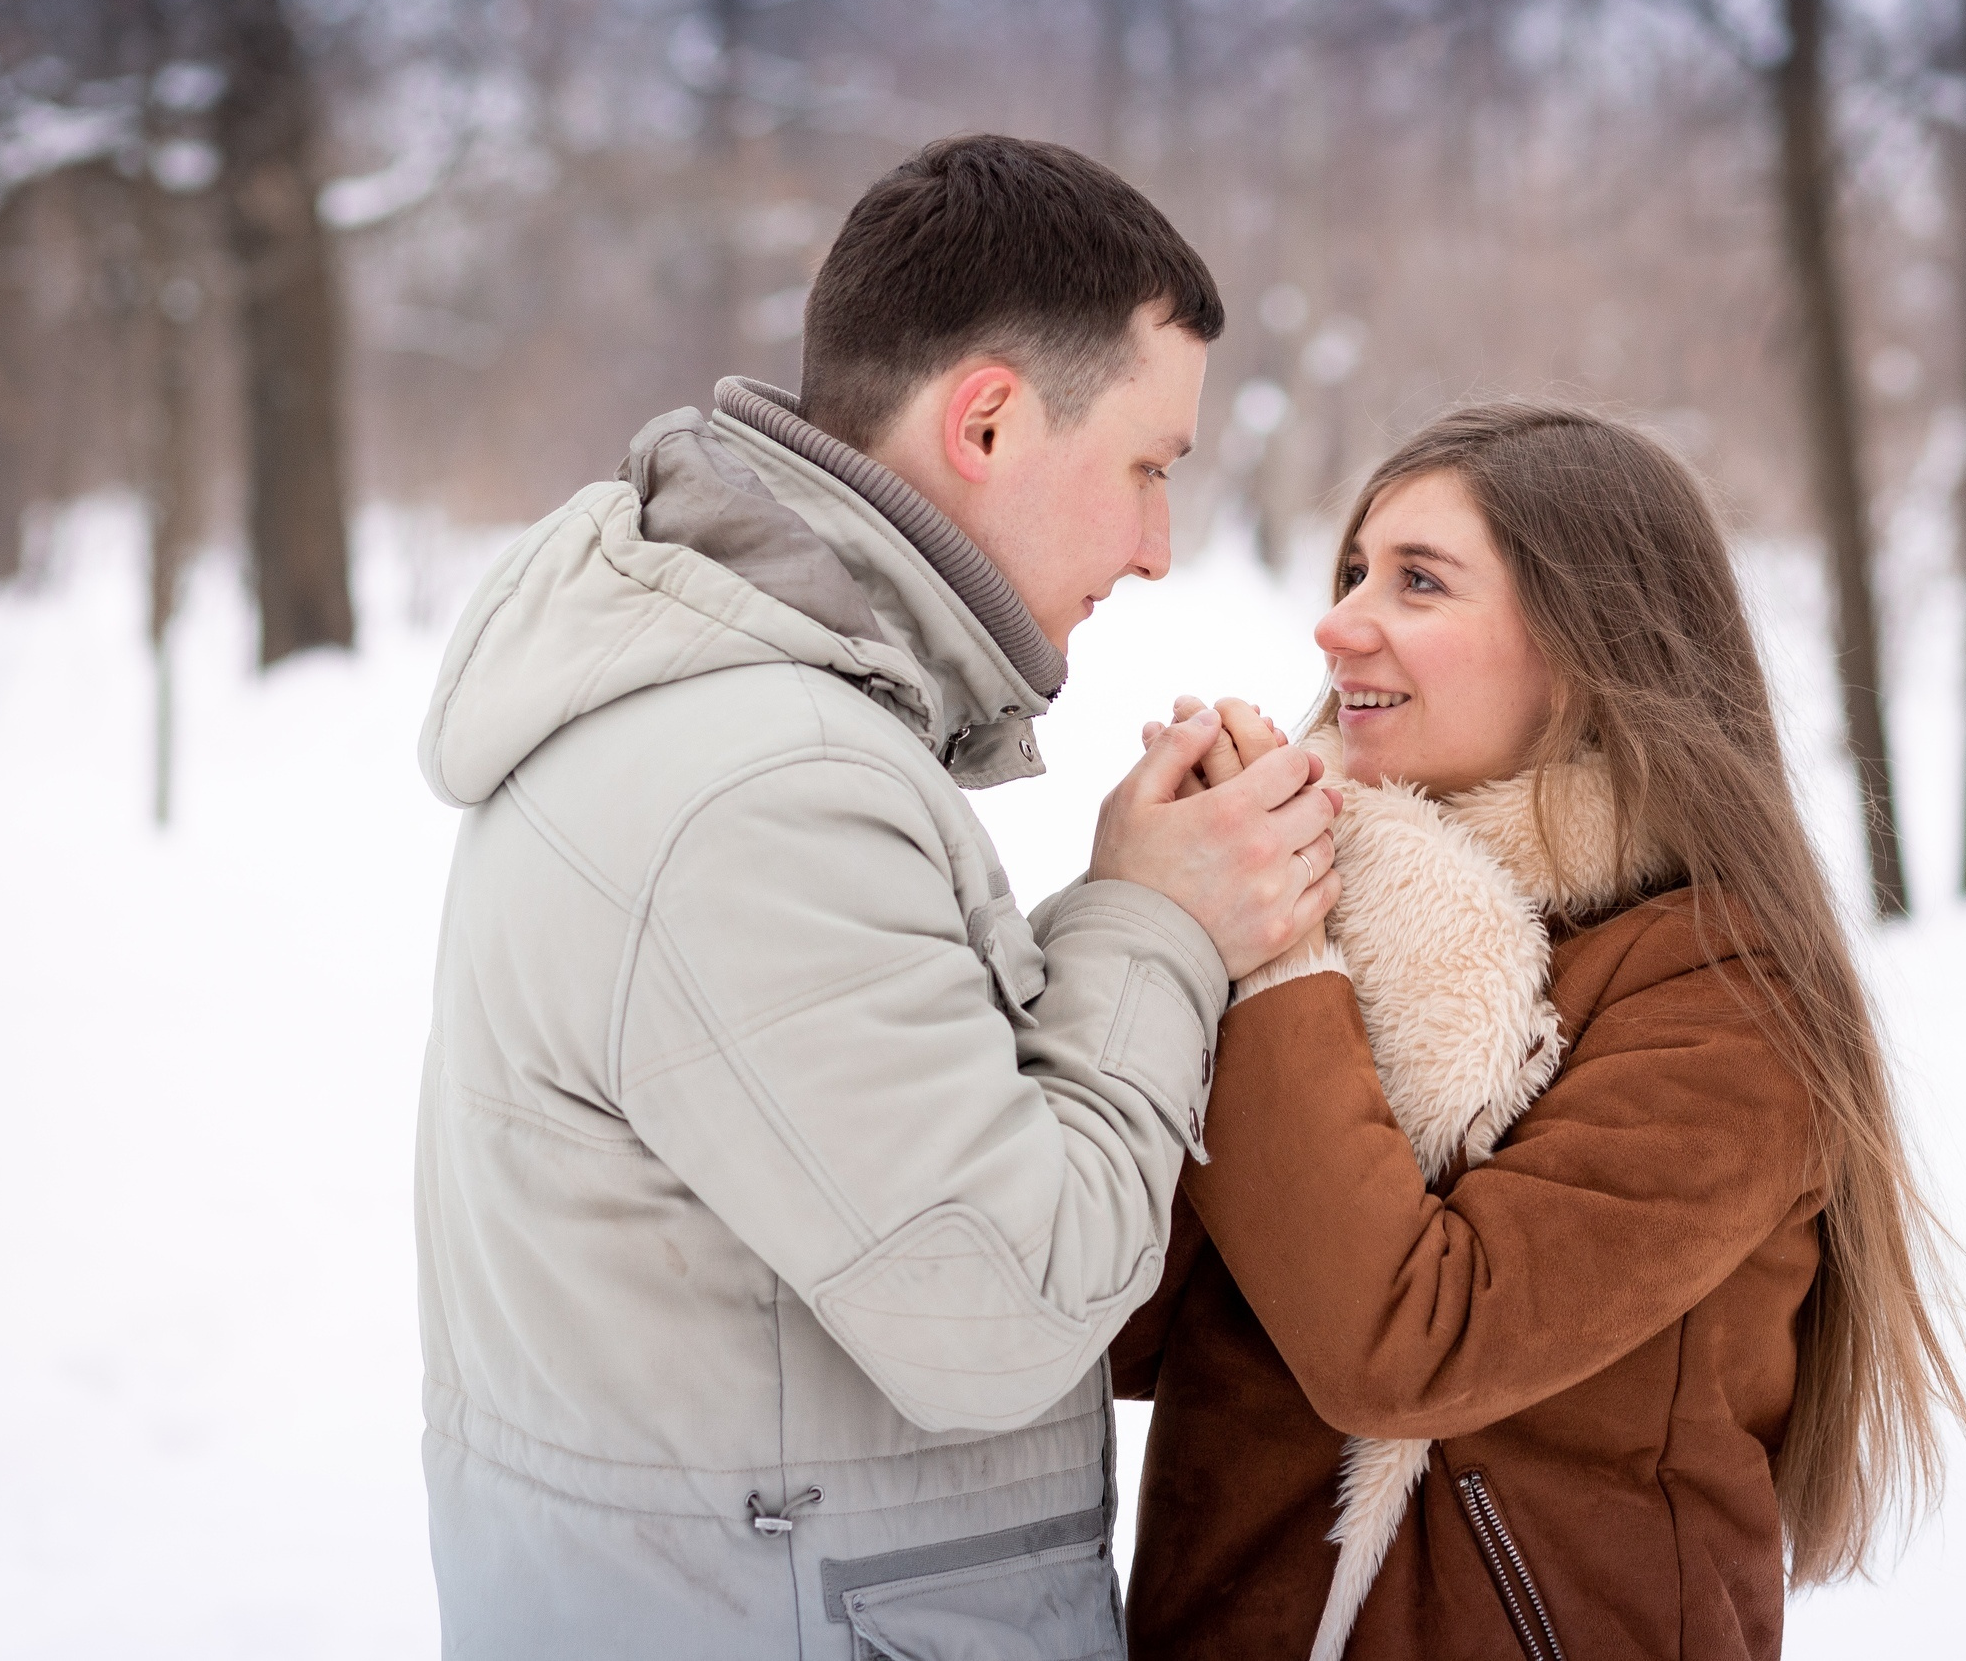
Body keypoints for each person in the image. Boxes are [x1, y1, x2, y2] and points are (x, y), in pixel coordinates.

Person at [411, 134, 1341, 1659]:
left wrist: (1141, 903)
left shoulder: (742, 716)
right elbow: (1002, 1312)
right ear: (987, 419)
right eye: (1148, 468)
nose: (1156, 549)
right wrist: (1159, 923)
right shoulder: (762, 783)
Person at [1112, 402, 1966, 1661]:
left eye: (1417, 581)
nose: (1338, 623)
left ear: (1584, 648)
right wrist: (1149, 933)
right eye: (1353, 571)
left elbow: (1409, 1348)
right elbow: (1117, 1325)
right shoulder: (1312, 902)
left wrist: (1279, 958)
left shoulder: (1729, 1001)